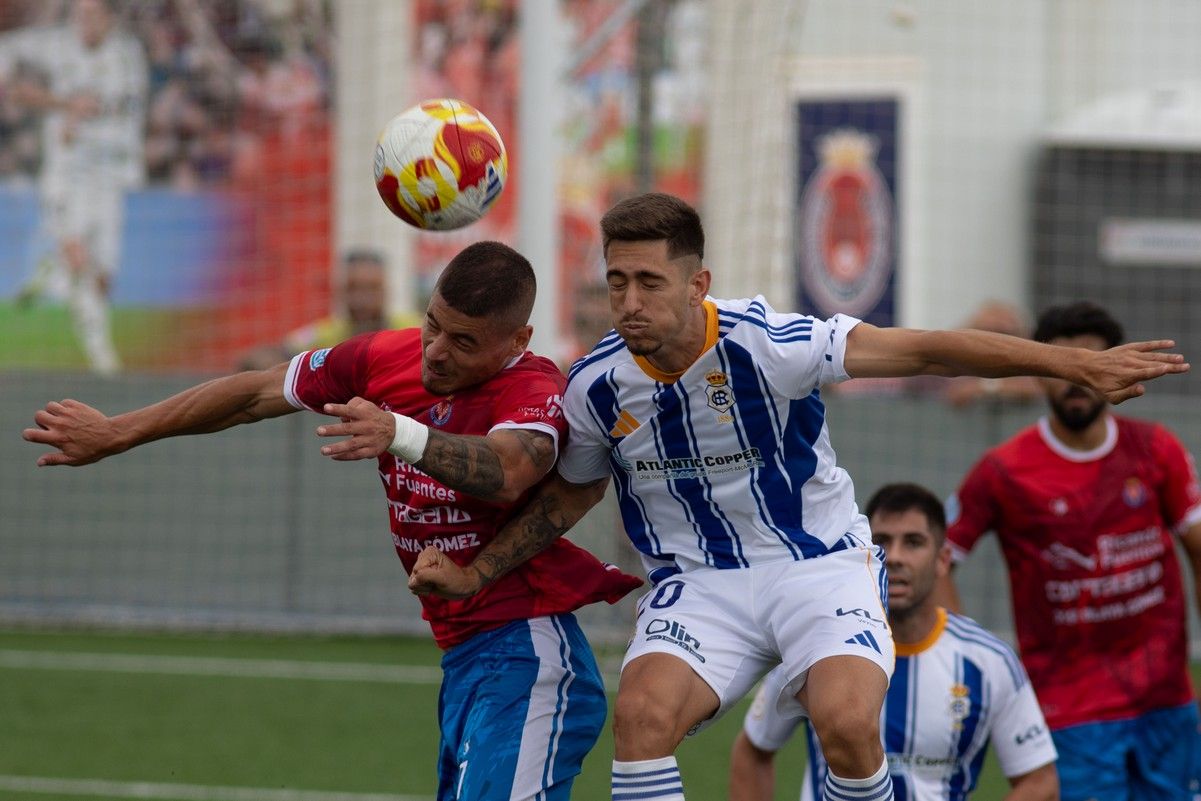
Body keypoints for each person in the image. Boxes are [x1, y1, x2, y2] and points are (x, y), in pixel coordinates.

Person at [403, 193, 1186, 801]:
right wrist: (476, 575)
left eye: (649, 281)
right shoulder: (597, 386)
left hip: (818, 566)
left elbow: (923, 347)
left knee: (845, 722)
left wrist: (1067, 365)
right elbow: (566, 495)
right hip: (701, 582)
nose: (630, 300)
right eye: (616, 281)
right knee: (639, 718)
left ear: (696, 282)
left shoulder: (772, 344)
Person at [23, 240, 643, 801]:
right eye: (433, 325)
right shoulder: (385, 357)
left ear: (516, 340)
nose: (436, 352)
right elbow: (256, 393)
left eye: (464, 343)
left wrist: (399, 432)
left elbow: (510, 468)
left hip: (527, 658)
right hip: (467, 658)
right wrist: (116, 432)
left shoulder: (535, 389)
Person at [936, 301, 1201, 801]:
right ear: (1039, 374)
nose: (1078, 382)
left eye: (1093, 366)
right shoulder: (1004, 470)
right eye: (1064, 368)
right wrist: (970, 656)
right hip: (1068, 712)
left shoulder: (1156, 450)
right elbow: (940, 556)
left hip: (1165, 701)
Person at [728, 482, 1058, 801]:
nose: (896, 556)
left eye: (913, 542)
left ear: (943, 560)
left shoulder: (989, 661)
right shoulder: (816, 646)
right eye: (882, 541)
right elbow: (754, 750)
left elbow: (1040, 783)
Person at [0, 0, 148, 375]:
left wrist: (82, 112)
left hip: (110, 178)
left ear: (110, 18)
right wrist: (64, 105)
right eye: (80, 14)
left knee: (102, 277)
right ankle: (103, 361)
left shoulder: (127, 55)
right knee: (81, 257)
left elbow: (115, 110)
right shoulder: (54, 45)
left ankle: (53, 273)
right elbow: (15, 86)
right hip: (68, 175)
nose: (85, 22)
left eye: (93, 14)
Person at [238, 249, 421, 371]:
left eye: (370, 289)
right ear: (341, 291)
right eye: (353, 288)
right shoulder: (326, 334)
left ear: (385, 292)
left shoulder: (411, 329)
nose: (361, 299)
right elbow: (277, 353)